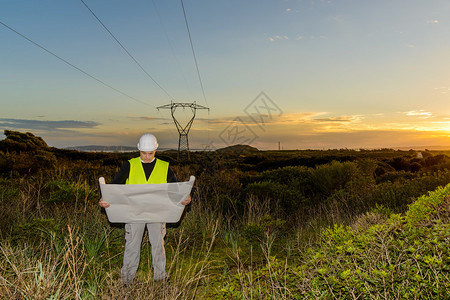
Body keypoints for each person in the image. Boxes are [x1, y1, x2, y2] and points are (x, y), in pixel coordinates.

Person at [99, 133, 191, 284]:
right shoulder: (130, 165)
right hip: (133, 213)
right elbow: (114, 186)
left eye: (150, 153)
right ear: (138, 150)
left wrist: (185, 198)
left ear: (156, 150)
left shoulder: (164, 167)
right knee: (132, 246)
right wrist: (104, 199)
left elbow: (175, 191)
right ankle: (126, 281)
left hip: (157, 213)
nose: (147, 156)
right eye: (144, 153)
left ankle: (161, 278)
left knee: (158, 246)